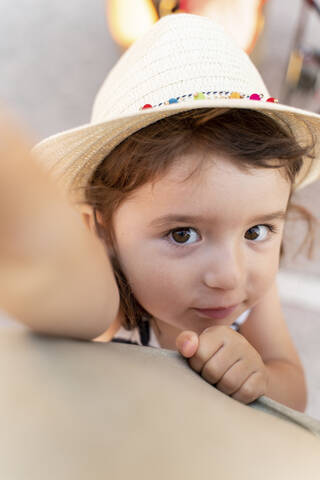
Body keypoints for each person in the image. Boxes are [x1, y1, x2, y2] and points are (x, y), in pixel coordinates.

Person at [5, 14, 320, 412]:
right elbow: (69, 297)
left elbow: (295, 393)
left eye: (256, 232)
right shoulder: (107, 301)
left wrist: (259, 377)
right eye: (183, 234)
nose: (229, 275)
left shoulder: (253, 293)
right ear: (101, 230)